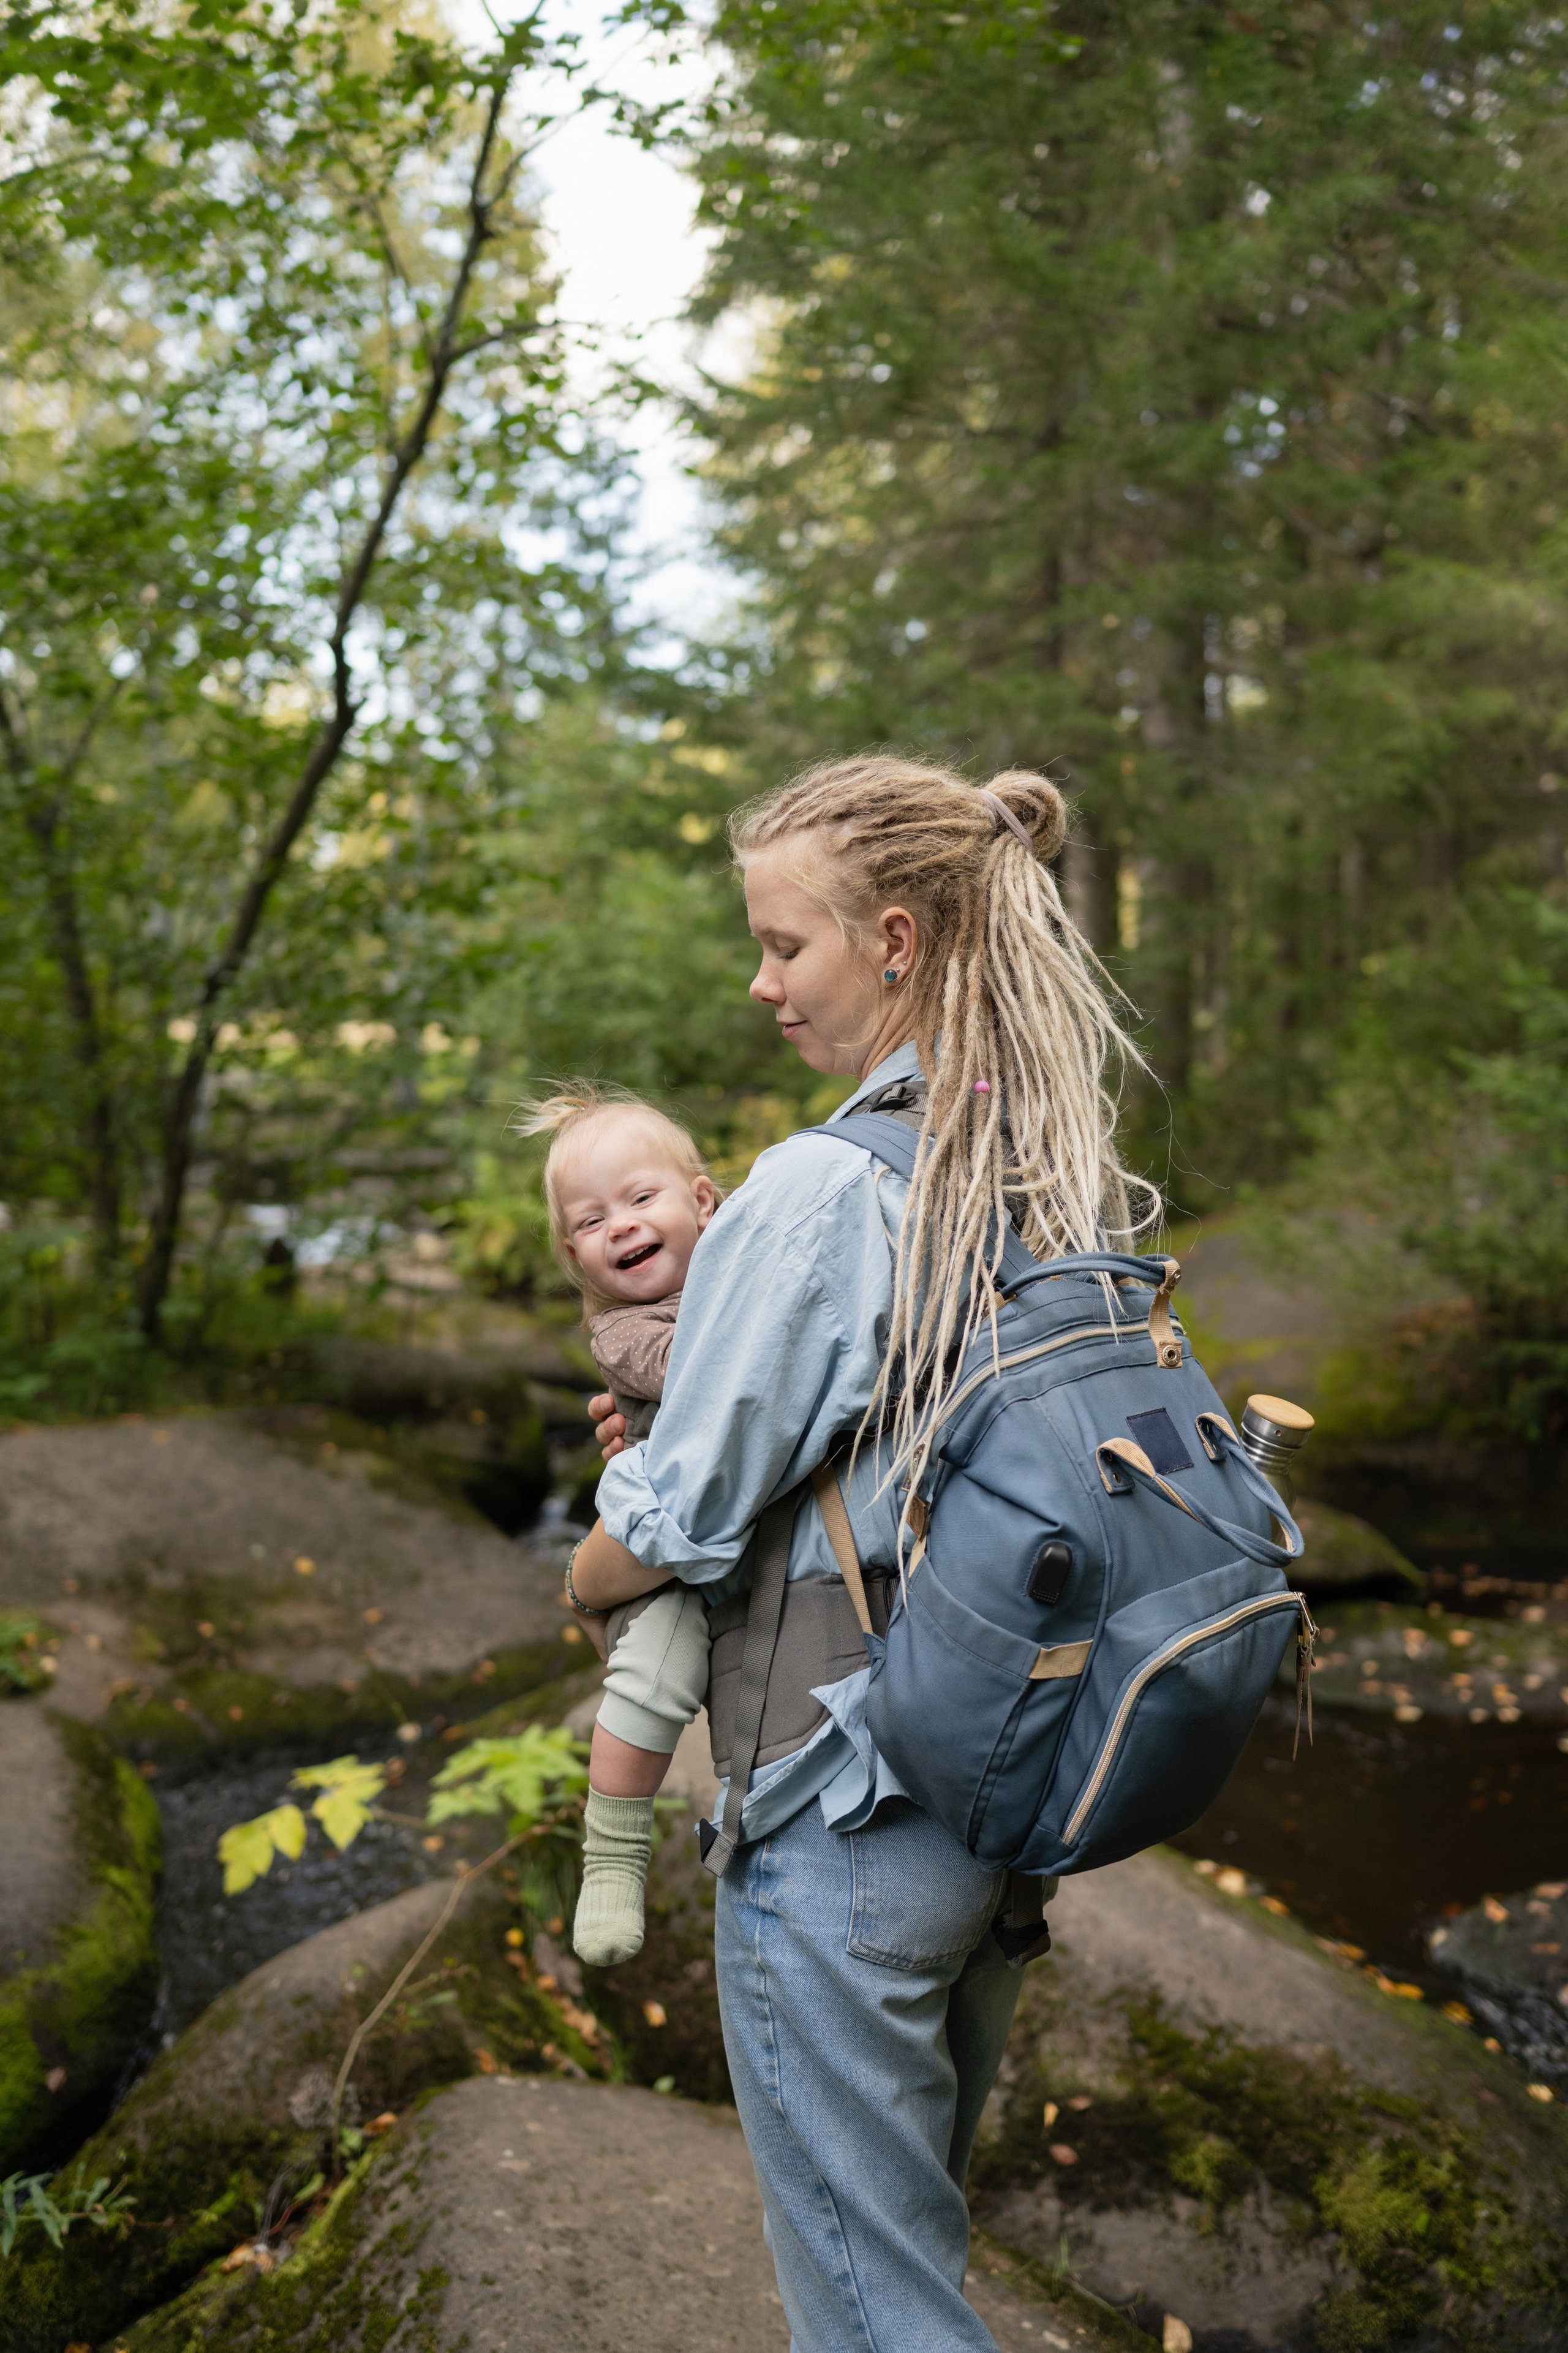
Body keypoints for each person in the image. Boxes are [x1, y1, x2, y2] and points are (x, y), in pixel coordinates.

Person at [565, 755, 1155, 2353]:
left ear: (894, 939)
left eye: (784, 944)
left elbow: (670, 1521)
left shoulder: (820, 1188)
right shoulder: (1039, 1152)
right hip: (999, 1796)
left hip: (841, 1819)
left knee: (874, 2318)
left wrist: (584, 1572)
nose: (760, 984)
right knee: (910, 2261)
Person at [517, 1086, 718, 1966]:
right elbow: (704, 1372)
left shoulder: (748, 1253)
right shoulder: (625, 1332)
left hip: (747, 1540)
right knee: (647, 1682)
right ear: (576, 1255)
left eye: (641, 1198)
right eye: (592, 1221)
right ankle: (613, 1854)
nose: (622, 1225)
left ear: (703, 1201)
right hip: (665, 1546)